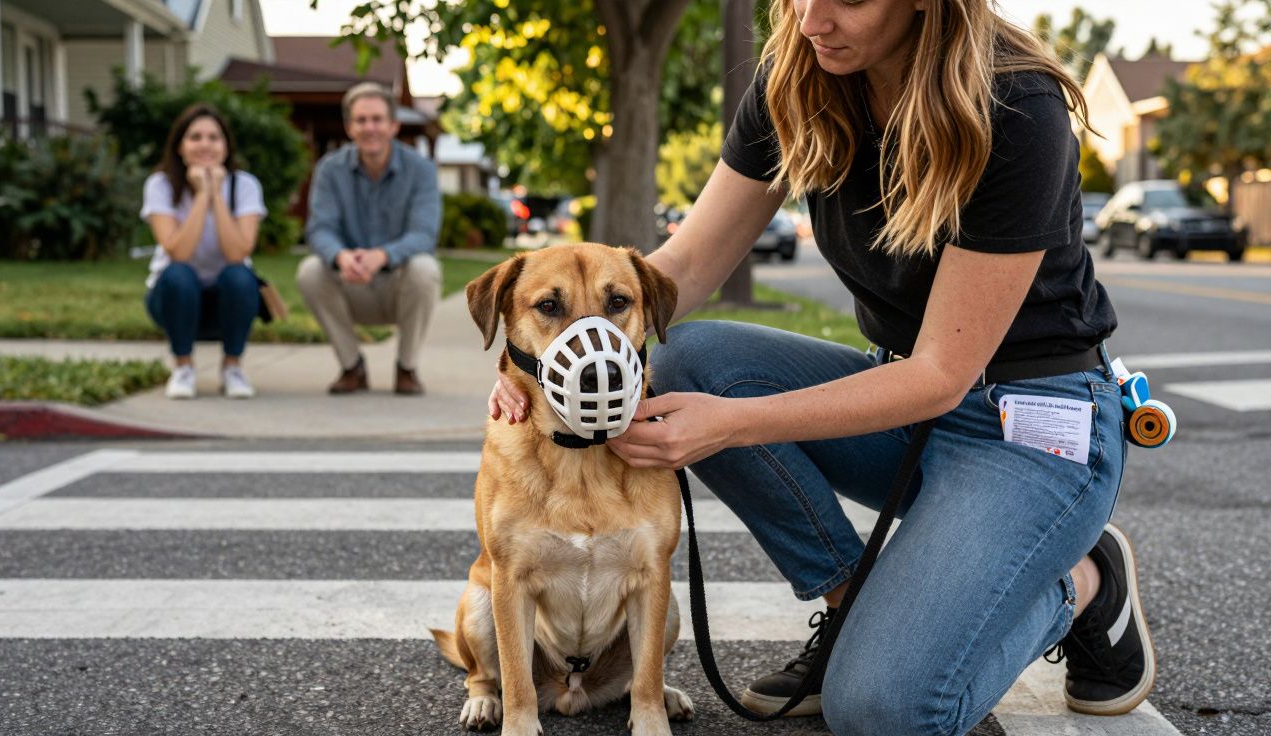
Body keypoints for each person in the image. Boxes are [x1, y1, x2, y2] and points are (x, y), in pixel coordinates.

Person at [488, 1, 1156, 734]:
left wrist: (735, 425)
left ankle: (1084, 582)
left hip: (1032, 423)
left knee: (885, 712)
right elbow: (675, 270)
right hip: (903, 399)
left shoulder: (1016, 106)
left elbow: (940, 374)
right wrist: (545, 356)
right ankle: (851, 610)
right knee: (689, 358)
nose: (811, 20)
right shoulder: (800, 74)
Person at [297, 82, 443, 396]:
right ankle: (352, 368)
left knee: (425, 268)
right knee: (310, 270)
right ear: (350, 127)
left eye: (377, 119)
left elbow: (423, 234)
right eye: (361, 120)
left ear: (393, 125)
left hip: (400, 287)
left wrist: (382, 256)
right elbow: (319, 229)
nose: (369, 127)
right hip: (351, 283)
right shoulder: (329, 170)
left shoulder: (421, 170)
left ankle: (407, 368)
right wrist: (341, 257)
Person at [142, 103, 266, 400]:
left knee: (239, 274)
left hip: (228, 301)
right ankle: (183, 367)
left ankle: (232, 367)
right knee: (178, 274)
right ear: (180, 147)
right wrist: (202, 195)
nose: (205, 144)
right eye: (195, 137)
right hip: (173, 300)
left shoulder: (245, 185)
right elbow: (179, 252)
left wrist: (217, 196)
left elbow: (238, 252)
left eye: (214, 137)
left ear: (225, 146)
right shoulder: (160, 185)